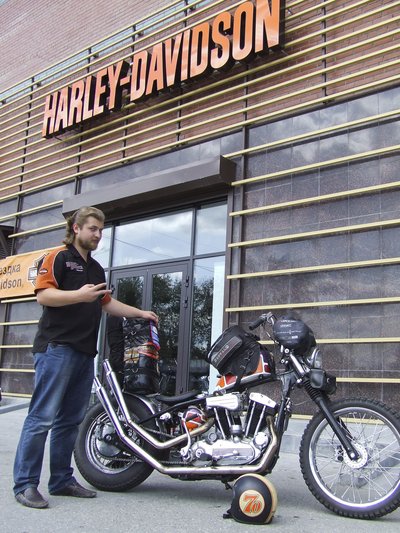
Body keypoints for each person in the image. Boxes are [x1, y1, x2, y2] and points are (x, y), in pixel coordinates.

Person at [13, 206, 158, 509]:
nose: (98, 235)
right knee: (41, 418)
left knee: (70, 421)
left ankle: (61, 480)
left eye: (101, 230)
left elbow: (106, 303)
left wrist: (140, 313)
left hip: (83, 352)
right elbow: (43, 295)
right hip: (56, 348)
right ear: (76, 228)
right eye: (92, 228)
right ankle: (25, 484)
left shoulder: (96, 269)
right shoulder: (58, 257)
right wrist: (79, 295)